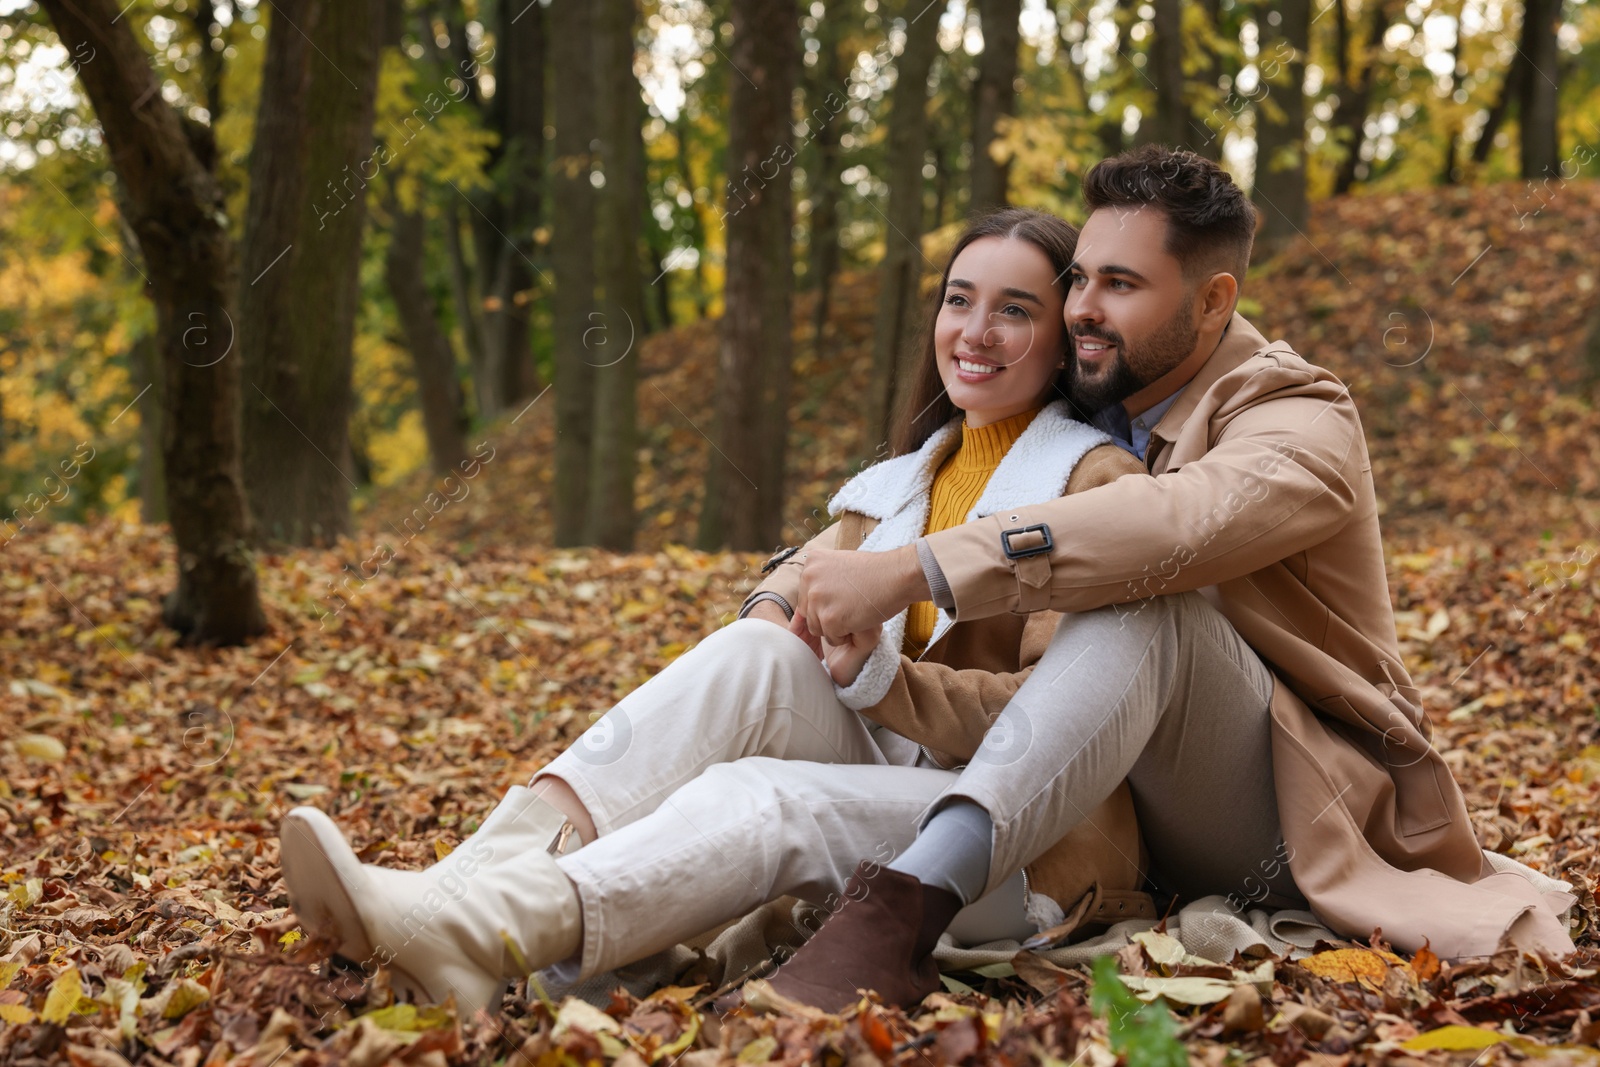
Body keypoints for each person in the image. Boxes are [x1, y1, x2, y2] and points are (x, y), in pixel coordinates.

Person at [752, 144, 1576, 1010]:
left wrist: (915, 573)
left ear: (1215, 299)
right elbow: (904, 492)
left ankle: (908, 905)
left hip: (1295, 813)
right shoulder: (1095, 410)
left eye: (1121, 285)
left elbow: (1173, 523)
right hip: (1121, 817)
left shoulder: (1302, 418)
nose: (1082, 310)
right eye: (1078, 279)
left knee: (1149, 598)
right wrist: (782, 594)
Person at [278, 208, 1157, 1019]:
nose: (975, 331)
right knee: (755, 653)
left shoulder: (1090, 485)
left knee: (761, 792)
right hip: (894, 778)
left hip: (1013, 845)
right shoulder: (908, 480)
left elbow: (1056, 724)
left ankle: (486, 934)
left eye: (1014, 310)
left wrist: (887, 677)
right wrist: (783, 606)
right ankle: (453, 892)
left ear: (1062, 343)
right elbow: (797, 572)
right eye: (959, 300)